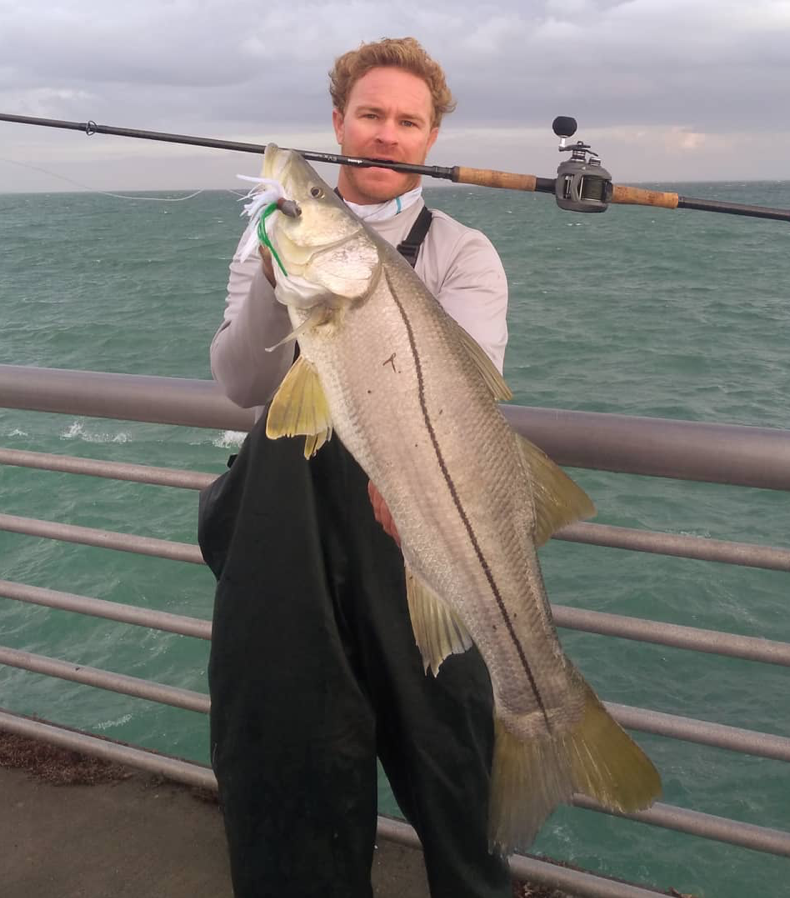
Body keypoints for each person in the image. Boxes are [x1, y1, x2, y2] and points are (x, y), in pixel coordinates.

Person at [201, 36, 512, 898]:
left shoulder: (463, 252)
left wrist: (403, 477)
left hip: (413, 529)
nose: (386, 134)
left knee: (454, 769)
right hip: (286, 546)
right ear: (337, 122)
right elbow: (242, 385)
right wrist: (277, 280)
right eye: (370, 114)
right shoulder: (273, 237)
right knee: (291, 771)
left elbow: (465, 405)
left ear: (429, 138)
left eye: (407, 122)